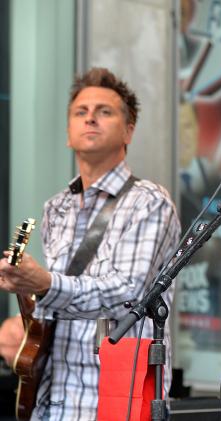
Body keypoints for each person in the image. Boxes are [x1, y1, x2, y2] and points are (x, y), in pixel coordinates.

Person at [0, 67, 181, 420]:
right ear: (68, 133)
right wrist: (25, 300)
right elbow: (59, 303)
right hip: (54, 396)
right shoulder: (56, 207)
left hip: (117, 394)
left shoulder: (149, 201)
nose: (90, 119)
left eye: (104, 111)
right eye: (80, 113)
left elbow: (127, 295)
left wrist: (45, 284)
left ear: (129, 130)